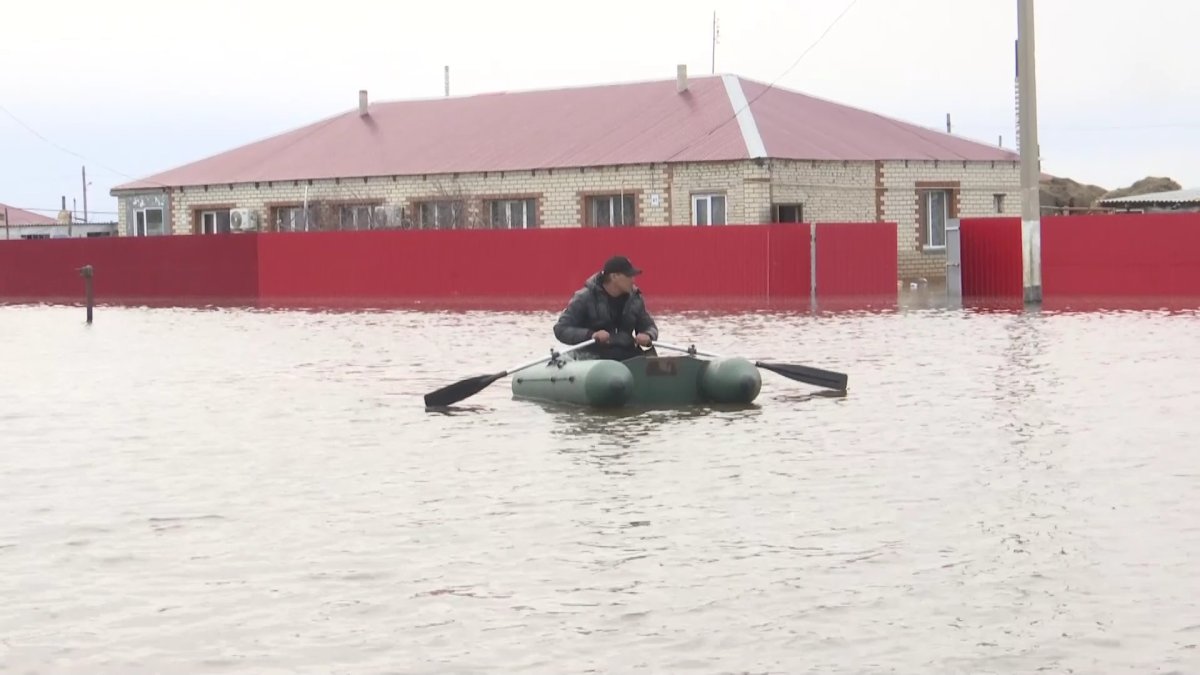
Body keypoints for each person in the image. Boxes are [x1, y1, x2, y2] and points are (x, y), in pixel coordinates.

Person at [554, 255, 658, 361]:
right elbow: (561, 329)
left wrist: (648, 335)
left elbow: (649, 326)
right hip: (593, 358)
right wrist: (591, 335)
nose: (633, 280)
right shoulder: (584, 297)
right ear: (613, 277)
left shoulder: (635, 299)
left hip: (628, 356)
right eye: (629, 276)